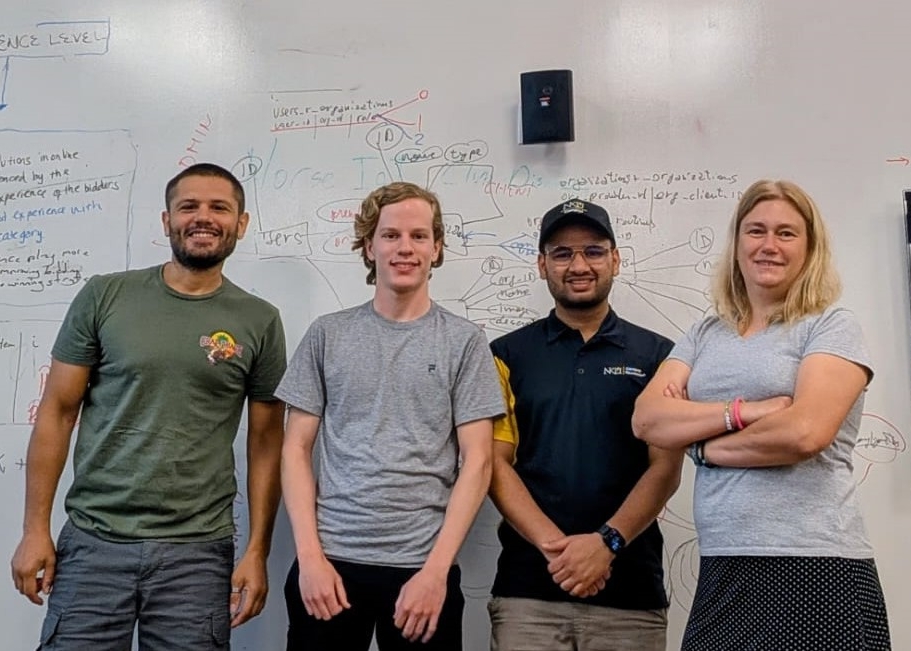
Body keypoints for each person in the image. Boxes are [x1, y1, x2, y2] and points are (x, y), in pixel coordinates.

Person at [10, 163, 288, 650]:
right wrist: (35, 529)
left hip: (198, 554)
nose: (204, 218)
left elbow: (266, 443)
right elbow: (56, 412)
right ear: (167, 221)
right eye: (189, 207)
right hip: (95, 542)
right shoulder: (105, 295)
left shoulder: (260, 321)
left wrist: (257, 552)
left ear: (241, 223)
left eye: (219, 207)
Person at [632, 179, 892, 650]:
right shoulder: (705, 332)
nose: (768, 245)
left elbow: (804, 433)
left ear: (810, 248)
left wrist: (703, 447)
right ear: (736, 244)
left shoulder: (831, 326)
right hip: (725, 563)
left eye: (786, 233)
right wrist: (746, 411)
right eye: (756, 231)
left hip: (817, 564)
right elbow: (648, 420)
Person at [277, 181, 504, 651]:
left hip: (424, 570)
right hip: (330, 567)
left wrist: (437, 572)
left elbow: (478, 461)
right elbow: (295, 449)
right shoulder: (327, 336)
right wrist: (310, 558)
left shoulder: (464, 342)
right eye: (391, 235)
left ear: (437, 248)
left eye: (420, 236)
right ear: (368, 246)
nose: (405, 248)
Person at [487, 198, 684, 651]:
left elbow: (666, 468)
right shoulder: (504, 355)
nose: (579, 265)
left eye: (593, 251)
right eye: (562, 253)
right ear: (542, 265)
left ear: (615, 259)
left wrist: (606, 544)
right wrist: (560, 550)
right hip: (527, 596)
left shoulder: (660, 356)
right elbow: (494, 466)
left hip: (630, 598)